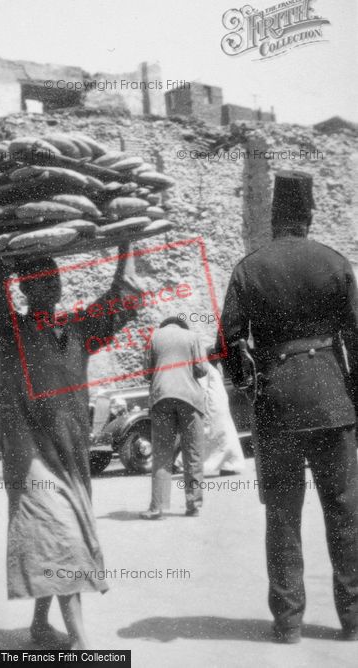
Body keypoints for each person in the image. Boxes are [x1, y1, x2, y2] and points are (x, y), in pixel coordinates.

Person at [0, 244, 141, 649]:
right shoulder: (10, 332)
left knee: (57, 539)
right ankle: (82, 641)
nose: (51, 285)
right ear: (26, 291)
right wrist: (6, 252)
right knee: (63, 539)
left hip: (70, 458)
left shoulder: (79, 330)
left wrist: (126, 246)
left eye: (54, 278)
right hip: (31, 458)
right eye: (39, 280)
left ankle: (38, 625)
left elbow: (125, 299)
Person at [218, 170, 358, 643]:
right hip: (331, 399)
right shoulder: (336, 263)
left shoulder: (249, 268)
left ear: (274, 217)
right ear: (310, 214)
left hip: (276, 404)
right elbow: (357, 340)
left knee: (282, 514)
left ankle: (289, 623)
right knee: (344, 511)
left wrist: (250, 391)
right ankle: (354, 620)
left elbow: (228, 344)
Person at [140, 316, 208, 519]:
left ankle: (158, 508)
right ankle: (193, 504)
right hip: (190, 399)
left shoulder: (153, 337)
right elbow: (202, 369)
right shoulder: (192, 336)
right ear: (181, 326)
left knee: (162, 452)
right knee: (193, 451)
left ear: (164, 326)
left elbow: (146, 372)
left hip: (162, 398)